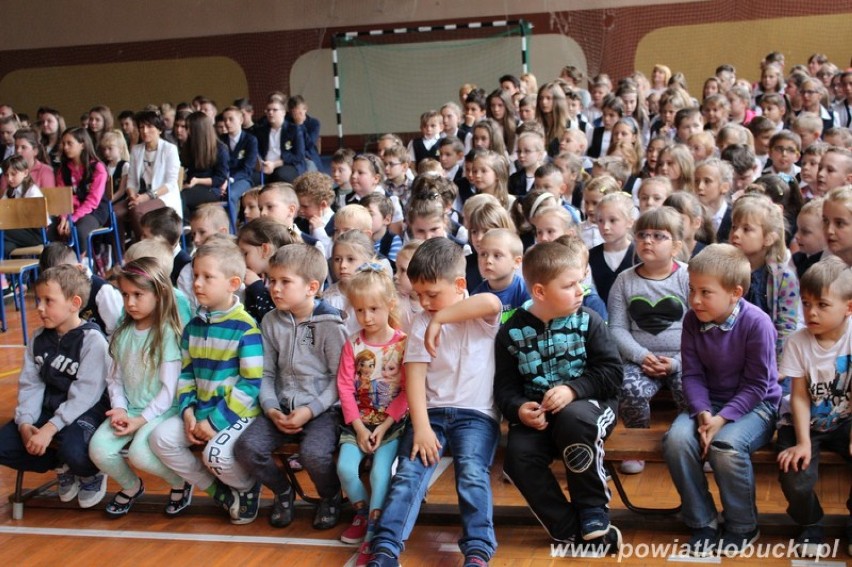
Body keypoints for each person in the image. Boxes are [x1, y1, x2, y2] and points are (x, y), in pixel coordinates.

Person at [367, 237, 503, 567]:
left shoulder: (477, 314)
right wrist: (422, 427)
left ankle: (478, 551)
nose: (425, 303)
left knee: (472, 472)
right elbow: (414, 376)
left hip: (477, 415)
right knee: (410, 474)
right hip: (431, 414)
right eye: (419, 295)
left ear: (459, 285)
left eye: (432, 294)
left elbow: (491, 302)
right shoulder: (420, 321)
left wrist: (442, 319)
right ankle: (385, 548)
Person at [494, 235, 623, 552]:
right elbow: (505, 388)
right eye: (569, 286)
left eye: (580, 283)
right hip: (541, 417)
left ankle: (592, 510)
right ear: (539, 291)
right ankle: (568, 528)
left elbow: (612, 374)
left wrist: (573, 389)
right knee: (519, 457)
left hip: (591, 407)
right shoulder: (511, 331)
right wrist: (520, 408)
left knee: (574, 419)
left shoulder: (588, 321)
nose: (581, 291)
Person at [663, 244, 781, 557]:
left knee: (725, 447)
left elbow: (758, 385)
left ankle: (743, 525)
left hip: (756, 405)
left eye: (705, 292)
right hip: (709, 403)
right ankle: (702, 521)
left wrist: (721, 419)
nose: (695, 300)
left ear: (735, 293)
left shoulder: (757, 324)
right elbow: (692, 376)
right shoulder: (692, 320)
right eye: (691, 290)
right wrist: (703, 413)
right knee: (676, 441)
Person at [149, 239, 264, 524]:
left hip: (236, 414)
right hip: (198, 413)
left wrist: (213, 423)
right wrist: (188, 413)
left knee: (215, 454)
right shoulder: (193, 328)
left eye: (207, 277)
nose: (197, 283)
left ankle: (246, 487)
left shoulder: (246, 328)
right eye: (196, 276)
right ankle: (216, 490)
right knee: (159, 439)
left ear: (233, 283)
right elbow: (187, 374)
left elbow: (250, 384)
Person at [233, 244, 347, 530]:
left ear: (311, 287)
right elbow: (267, 372)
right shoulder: (271, 321)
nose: (275, 288)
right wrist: (271, 409)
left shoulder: (330, 324)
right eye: (272, 280)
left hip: (323, 409)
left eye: (285, 282)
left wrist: (310, 411)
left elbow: (340, 379)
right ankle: (283, 492)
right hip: (282, 406)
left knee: (314, 454)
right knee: (247, 447)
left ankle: (330, 497)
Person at [0, 265, 110, 508]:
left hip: (85, 411)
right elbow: (31, 385)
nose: (39, 307)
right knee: (3, 444)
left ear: (74, 303)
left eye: (48, 301)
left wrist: (49, 429)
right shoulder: (39, 339)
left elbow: (85, 396)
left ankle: (90, 471)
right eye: (38, 300)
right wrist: (26, 423)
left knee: (74, 448)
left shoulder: (93, 341)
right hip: (50, 410)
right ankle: (61, 464)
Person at [88, 258, 188, 516]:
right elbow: (115, 379)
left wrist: (140, 420)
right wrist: (120, 409)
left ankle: (180, 482)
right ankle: (132, 487)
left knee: (140, 454)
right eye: (125, 295)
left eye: (138, 294)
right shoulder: (122, 333)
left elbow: (169, 391)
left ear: (158, 294)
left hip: (163, 410)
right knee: (98, 449)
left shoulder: (166, 332)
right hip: (131, 409)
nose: (130, 302)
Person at [775, 257, 852, 558]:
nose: (811, 312)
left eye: (822, 304)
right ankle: (811, 523)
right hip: (802, 422)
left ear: (848, 307)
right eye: (806, 304)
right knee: (794, 474)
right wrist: (804, 443)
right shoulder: (797, 341)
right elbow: (799, 396)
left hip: (845, 420)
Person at [336, 266, 409, 565]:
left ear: (390, 304)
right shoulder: (352, 344)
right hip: (358, 423)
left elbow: (407, 390)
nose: (366, 317)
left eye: (374, 309)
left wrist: (385, 424)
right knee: (345, 468)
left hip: (391, 425)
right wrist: (359, 428)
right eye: (360, 310)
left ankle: (374, 536)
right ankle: (365, 513)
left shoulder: (403, 343)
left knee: (380, 473)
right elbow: (344, 387)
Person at [609, 208, 690, 474]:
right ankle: (636, 444)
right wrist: (642, 356)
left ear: (676, 246)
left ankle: (692, 441)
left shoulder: (688, 278)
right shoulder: (624, 280)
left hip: (683, 358)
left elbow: (700, 328)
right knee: (629, 387)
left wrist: (676, 363)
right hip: (639, 359)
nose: (648, 240)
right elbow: (618, 329)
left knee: (693, 388)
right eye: (642, 234)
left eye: (659, 236)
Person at [729, 193, 802, 362]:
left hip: (768, 356)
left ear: (769, 238)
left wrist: (778, 363)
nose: (736, 234)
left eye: (746, 229)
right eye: (734, 227)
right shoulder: (725, 270)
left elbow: (786, 326)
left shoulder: (783, 277)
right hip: (731, 355)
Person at [121, 110, 182, 240]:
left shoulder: (169, 149)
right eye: (141, 127)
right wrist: (132, 196)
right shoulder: (136, 150)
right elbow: (131, 181)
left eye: (149, 127)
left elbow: (171, 184)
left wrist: (146, 197)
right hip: (139, 195)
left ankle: (144, 247)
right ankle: (118, 254)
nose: (145, 131)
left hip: (163, 195)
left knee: (137, 210)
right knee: (115, 213)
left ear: (159, 129)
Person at [52, 127, 109, 259]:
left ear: (82, 144)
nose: (65, 147)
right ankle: (59, 266)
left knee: (79, 231)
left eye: (69, 143)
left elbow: (93, 201)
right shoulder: (63, 170)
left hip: (94, 210)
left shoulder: (97, 168)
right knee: (51, 231)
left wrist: (72, 219)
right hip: (70, 210)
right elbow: (63, 198)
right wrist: (64, 218)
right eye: (63, 143)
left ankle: (83, 266)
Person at [237, 217, 295, 323]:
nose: (242, 260)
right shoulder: (262, 277)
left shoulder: (288, 278)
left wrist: (257, 287)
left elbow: (276, 318)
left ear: (265, 249)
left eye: (245, 253)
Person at [180, 111, 229, 220]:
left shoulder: (220, 149)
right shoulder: (188, 147)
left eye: (189, 128)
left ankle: (186, 229)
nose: (186, 131)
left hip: (212, 190)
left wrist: (197, 181)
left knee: (182, 197)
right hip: (191, 187)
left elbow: (220, 179)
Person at [472, 228, 528, 323]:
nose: (488, 260)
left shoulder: (526, 290)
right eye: (483, 254)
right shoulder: (476, 296)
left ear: (516, 262)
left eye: (497, 255)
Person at [589, 191, 636, 305]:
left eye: (613, 220)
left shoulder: (639, 255)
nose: (605, 227)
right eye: (600, 221)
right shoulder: (590, 256)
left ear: (629, 222)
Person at [220, 105, 259, 224]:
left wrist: (230, 180)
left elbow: (248, 168)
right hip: (223, 180)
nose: (227, 122)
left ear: (241, 120)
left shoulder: (250, 140)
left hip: (242, 179)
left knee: (230, 196)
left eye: (231, 119)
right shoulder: (220, 140)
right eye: (225, 119)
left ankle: (232, 233)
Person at [255, 96, 307, 184]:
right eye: (268, 110)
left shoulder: (294, 130)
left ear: (283, 112)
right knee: (253, 178)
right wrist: (261, 164)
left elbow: (299, 156)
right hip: (266, 166)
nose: (270, 113)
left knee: (280, 175)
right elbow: (258, 152)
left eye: (275, 110)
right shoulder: (261, 131)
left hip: (287, 165)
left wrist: (275, 164)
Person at [1, 154, 45, 255]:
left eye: (13, 174)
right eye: (6, 175)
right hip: (17, 234)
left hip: (36, 235)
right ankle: (14, 271)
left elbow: (37, 221)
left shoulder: (32, 191)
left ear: (25, 172)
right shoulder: (9, 191)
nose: (10, 178)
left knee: (3, 230)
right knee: (4, 246)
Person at [694, 158, 733, 243]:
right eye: (696, 181)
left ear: (725, 187)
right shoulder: (692, 217)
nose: (700, 186)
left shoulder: (733, 218)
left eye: (707, 181)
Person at [792, 198, 826, 279]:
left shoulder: (831, 266)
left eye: (805, 232)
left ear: (826, 234)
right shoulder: (796, 260)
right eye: (797, 229)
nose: (797, 235)